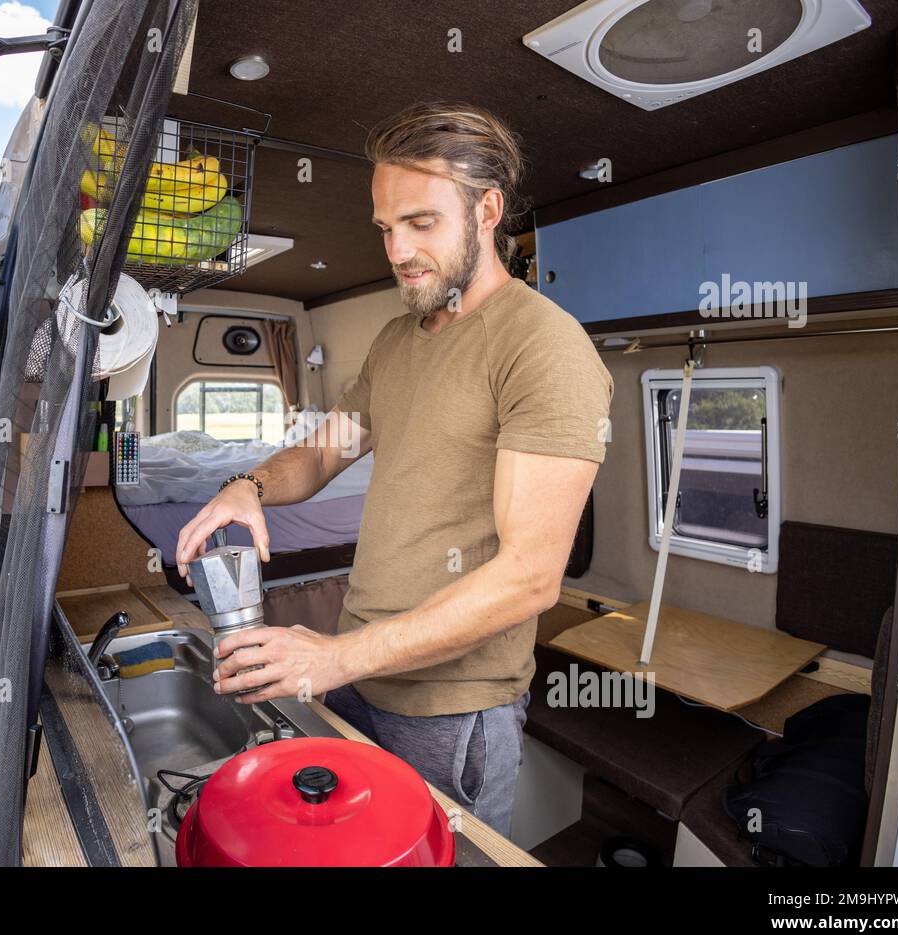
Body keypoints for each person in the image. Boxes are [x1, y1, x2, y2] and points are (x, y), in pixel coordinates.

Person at [174, 102, 613, 837]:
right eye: (385, 227)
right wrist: (244, 487)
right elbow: (321, 451)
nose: (397, 250)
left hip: (451, 712)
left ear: (486, 211)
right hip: (354, 681)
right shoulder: (396, 340)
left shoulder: (544, 347)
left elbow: (531, 576)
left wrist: (337, 655)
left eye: (421, 223)